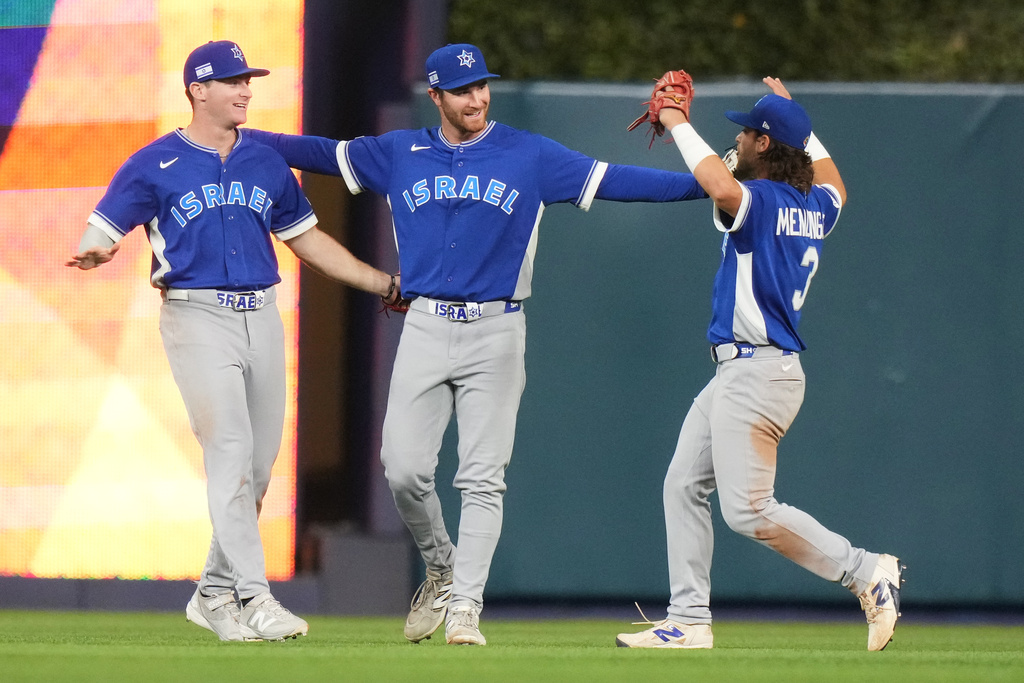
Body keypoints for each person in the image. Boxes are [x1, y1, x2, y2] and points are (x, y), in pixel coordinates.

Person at [246, 43, 707, 645]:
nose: (477, 97)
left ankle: (466, 606)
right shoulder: (399, 152)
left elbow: (619, 180)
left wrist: (712, 185)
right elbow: (320, 155)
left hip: (498, 327)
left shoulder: (529, 153)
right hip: (427, 323)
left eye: (482, 86)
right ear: (435, 96)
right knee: (404, 469)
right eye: (462, 90)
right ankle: (441, 565)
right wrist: (241, 134)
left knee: (482, 477)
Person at [66, 40, 402, 642]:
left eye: (248, 80)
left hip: (262, 316)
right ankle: (256, 598)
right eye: (232, 81)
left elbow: (308, 242)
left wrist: (381, 282)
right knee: (229, 456)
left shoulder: (266, 162)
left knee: (256, 466)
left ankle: (212, 594)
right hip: (196, 319)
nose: (245, 90)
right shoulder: (154, 163)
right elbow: (103, 226)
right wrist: (98, 247)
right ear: (197, 90)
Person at [615, 75, 904, 651]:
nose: (740, 139)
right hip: (745, 371)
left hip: (758, 372)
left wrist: (675, 121)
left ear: (765, 145)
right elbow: (836, 184)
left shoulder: (765, 199)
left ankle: (866, 570)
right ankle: (690, 620)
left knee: (747, 511)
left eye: (748, 131)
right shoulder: (815, 206)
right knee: (682, 485)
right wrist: (801, 125)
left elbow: (721, 187)